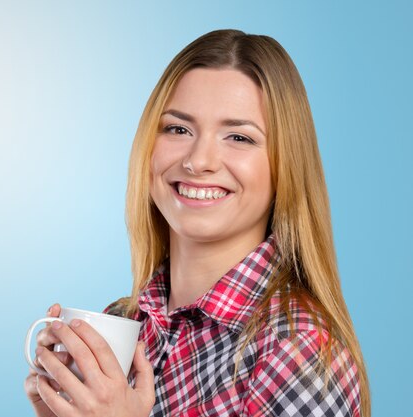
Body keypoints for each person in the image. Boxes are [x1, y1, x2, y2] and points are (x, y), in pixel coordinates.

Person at [23, 29, 370, 417]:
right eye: (178, 129)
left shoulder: (298, 350)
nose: (198, 160)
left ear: (285, 165)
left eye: (238, 137)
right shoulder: (125, 320)